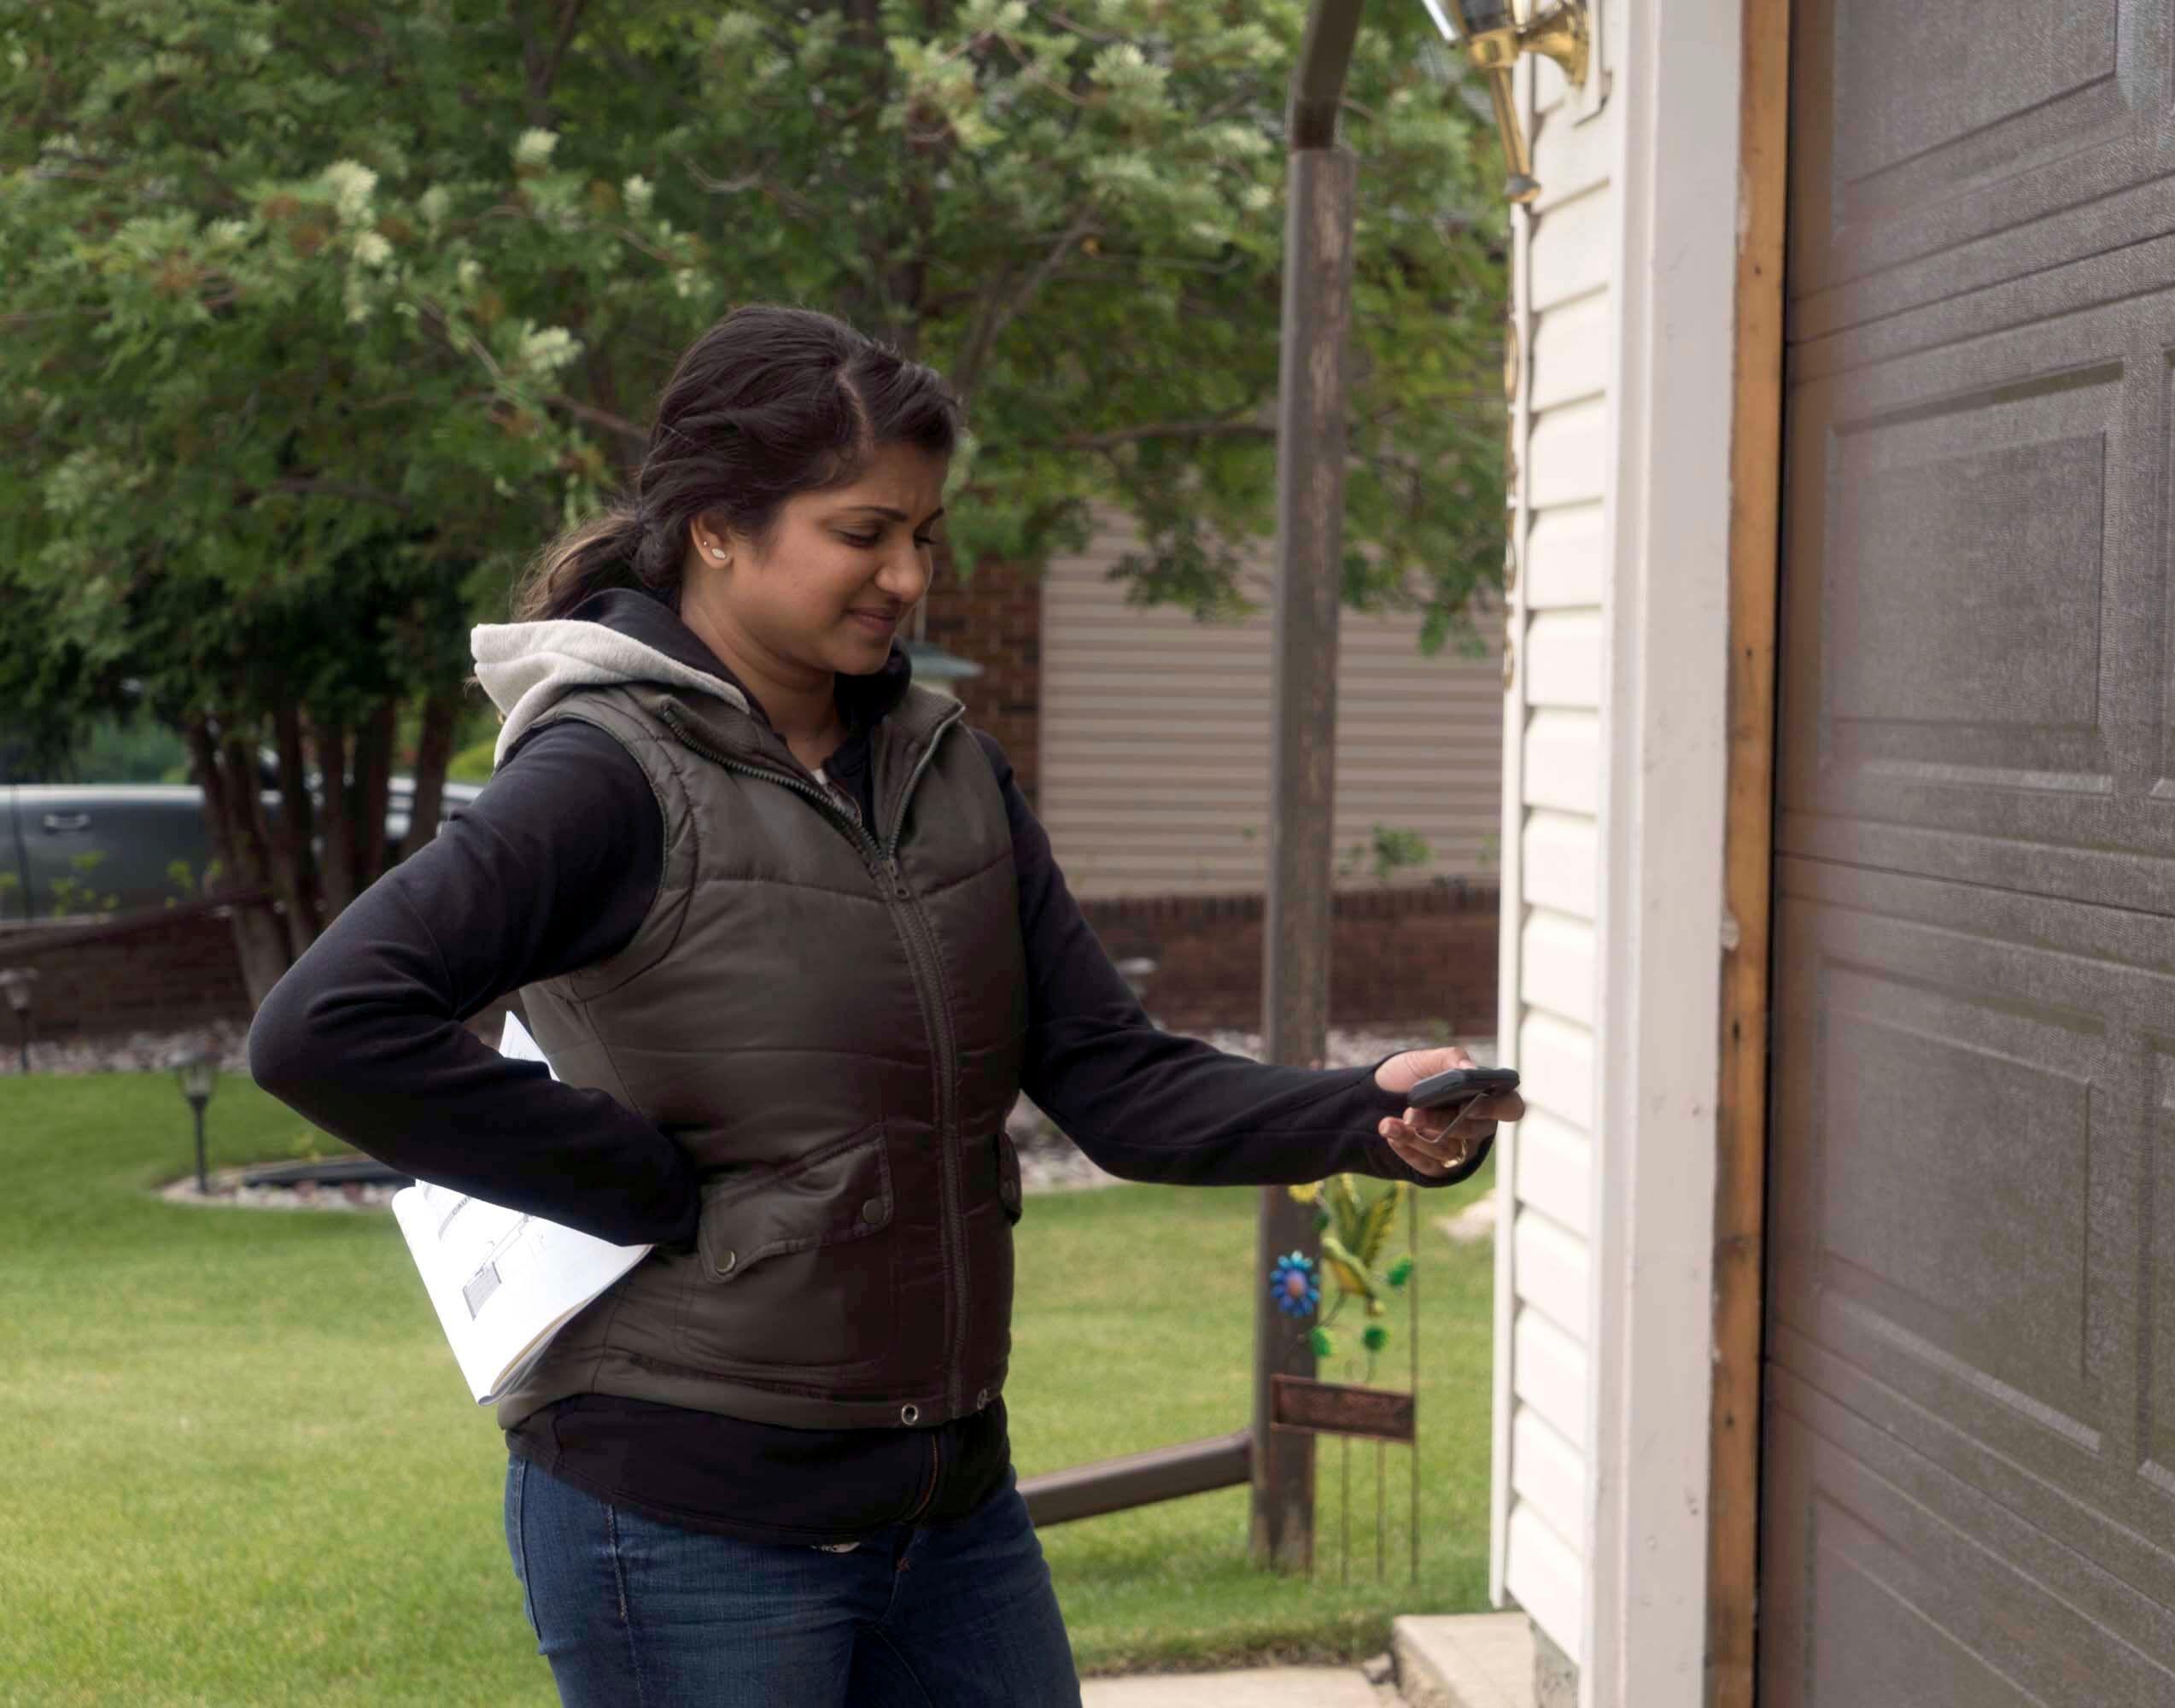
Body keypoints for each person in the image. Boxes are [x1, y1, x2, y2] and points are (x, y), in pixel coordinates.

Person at [246, 302, 1522, 1708]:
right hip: (685, 1521)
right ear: (719, 527)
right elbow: (327, 1027)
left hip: (949, 1505)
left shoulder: (943, 770)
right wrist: (638, 1182)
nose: (908, 575)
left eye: (926, 535)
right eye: (865, 533)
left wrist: (1364, 1111)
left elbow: (1109, 1076)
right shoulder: (605, 773)